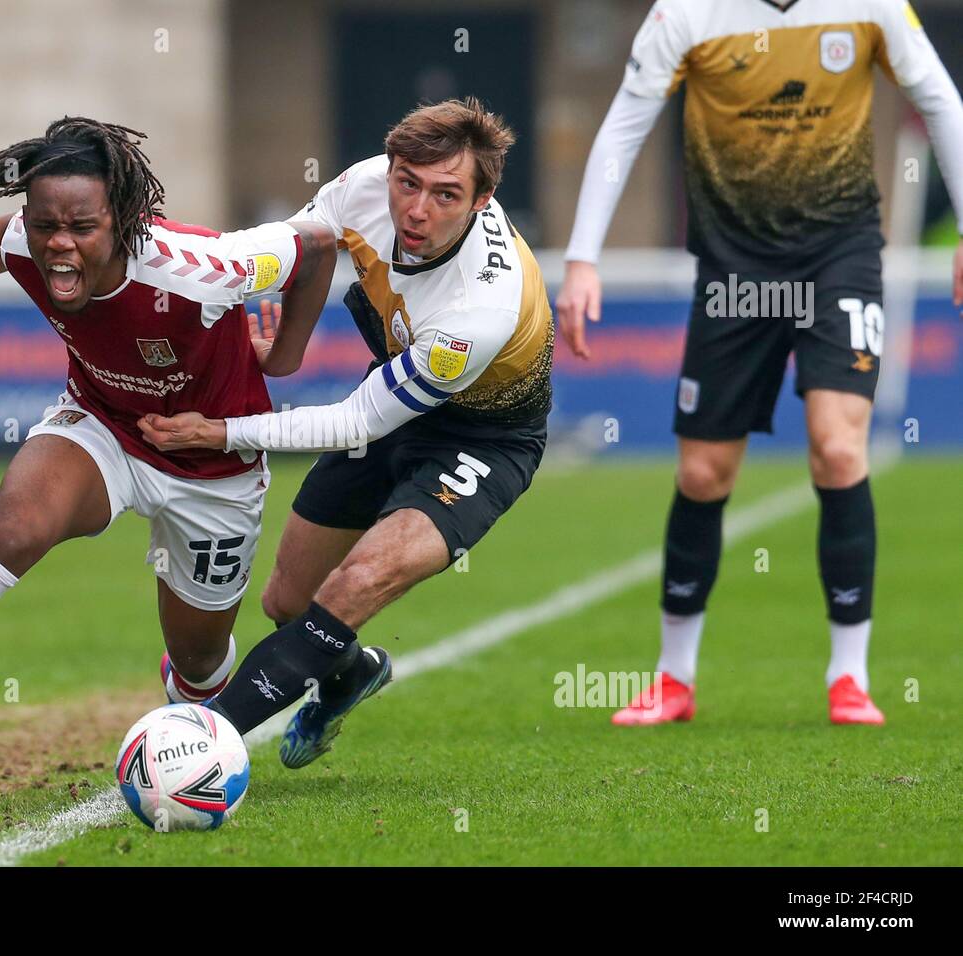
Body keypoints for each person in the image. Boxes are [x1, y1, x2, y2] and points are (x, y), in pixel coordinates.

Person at [0, 117, 336, 792]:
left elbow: (315, 244)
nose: (59, 246)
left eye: (81, 228)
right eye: (45, 227)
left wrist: (282, 358)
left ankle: (190, 688)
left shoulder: (205, 269)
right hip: (103, 427)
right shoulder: (22, 242)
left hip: (213, 468)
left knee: (199, 661)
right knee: (15, 528)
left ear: (123, 219)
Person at [554, 0, 963, 725]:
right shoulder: (687, 14)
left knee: (838, 448)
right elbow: (624, 124)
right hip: (735, 268)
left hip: (839, 256)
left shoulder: (869, 5)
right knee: (704, 472)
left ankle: (849, 676)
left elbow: (936, 96)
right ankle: (675, 679)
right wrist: (583, 258)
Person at [139, 97, 554, 767]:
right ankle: (352, 675)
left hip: (481, 439)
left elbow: (356, 418)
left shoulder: (479, 310)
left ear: (481, 202)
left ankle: (200, 745)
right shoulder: (365, 184)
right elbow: (291, 246)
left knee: (355, 583)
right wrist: (175, 267)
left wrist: (223, 433)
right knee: (288, 602)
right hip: (396, 392)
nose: (417, 209)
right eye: (407, 183)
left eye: (446, 194)